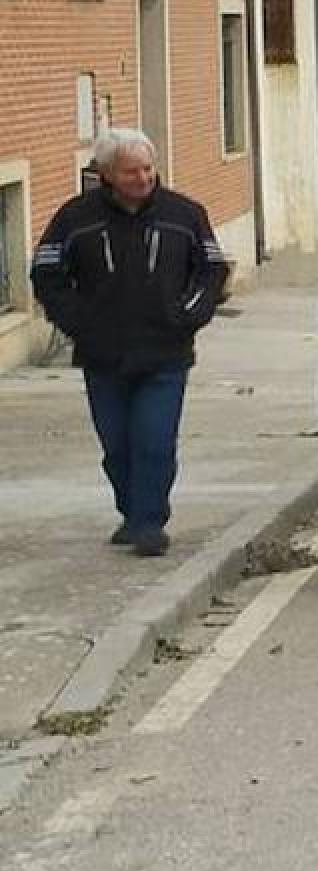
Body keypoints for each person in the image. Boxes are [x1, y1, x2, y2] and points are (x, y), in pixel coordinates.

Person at [31, 128, 230, 558]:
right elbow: (47, 273)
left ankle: (149, 522)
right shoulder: (75, 218)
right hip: (103, 354)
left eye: (147, 168)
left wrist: (189, 315)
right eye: (130, 171)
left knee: (154, 440)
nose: (141, 178)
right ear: (105, 174)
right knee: (117, 446)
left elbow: (211, 270)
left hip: (166, 352)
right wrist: (78, 323)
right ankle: (132, 510)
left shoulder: (184, 213)